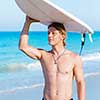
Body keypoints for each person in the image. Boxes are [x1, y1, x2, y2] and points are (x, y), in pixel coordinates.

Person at [19, 16, 86, 100]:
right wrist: (27, 23)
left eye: (53, 33)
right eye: (48, 33)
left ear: (62, 36)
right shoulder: (44, 55)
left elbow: (80, 82)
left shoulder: (74, 58)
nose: (49, 35)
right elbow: (23, 46)